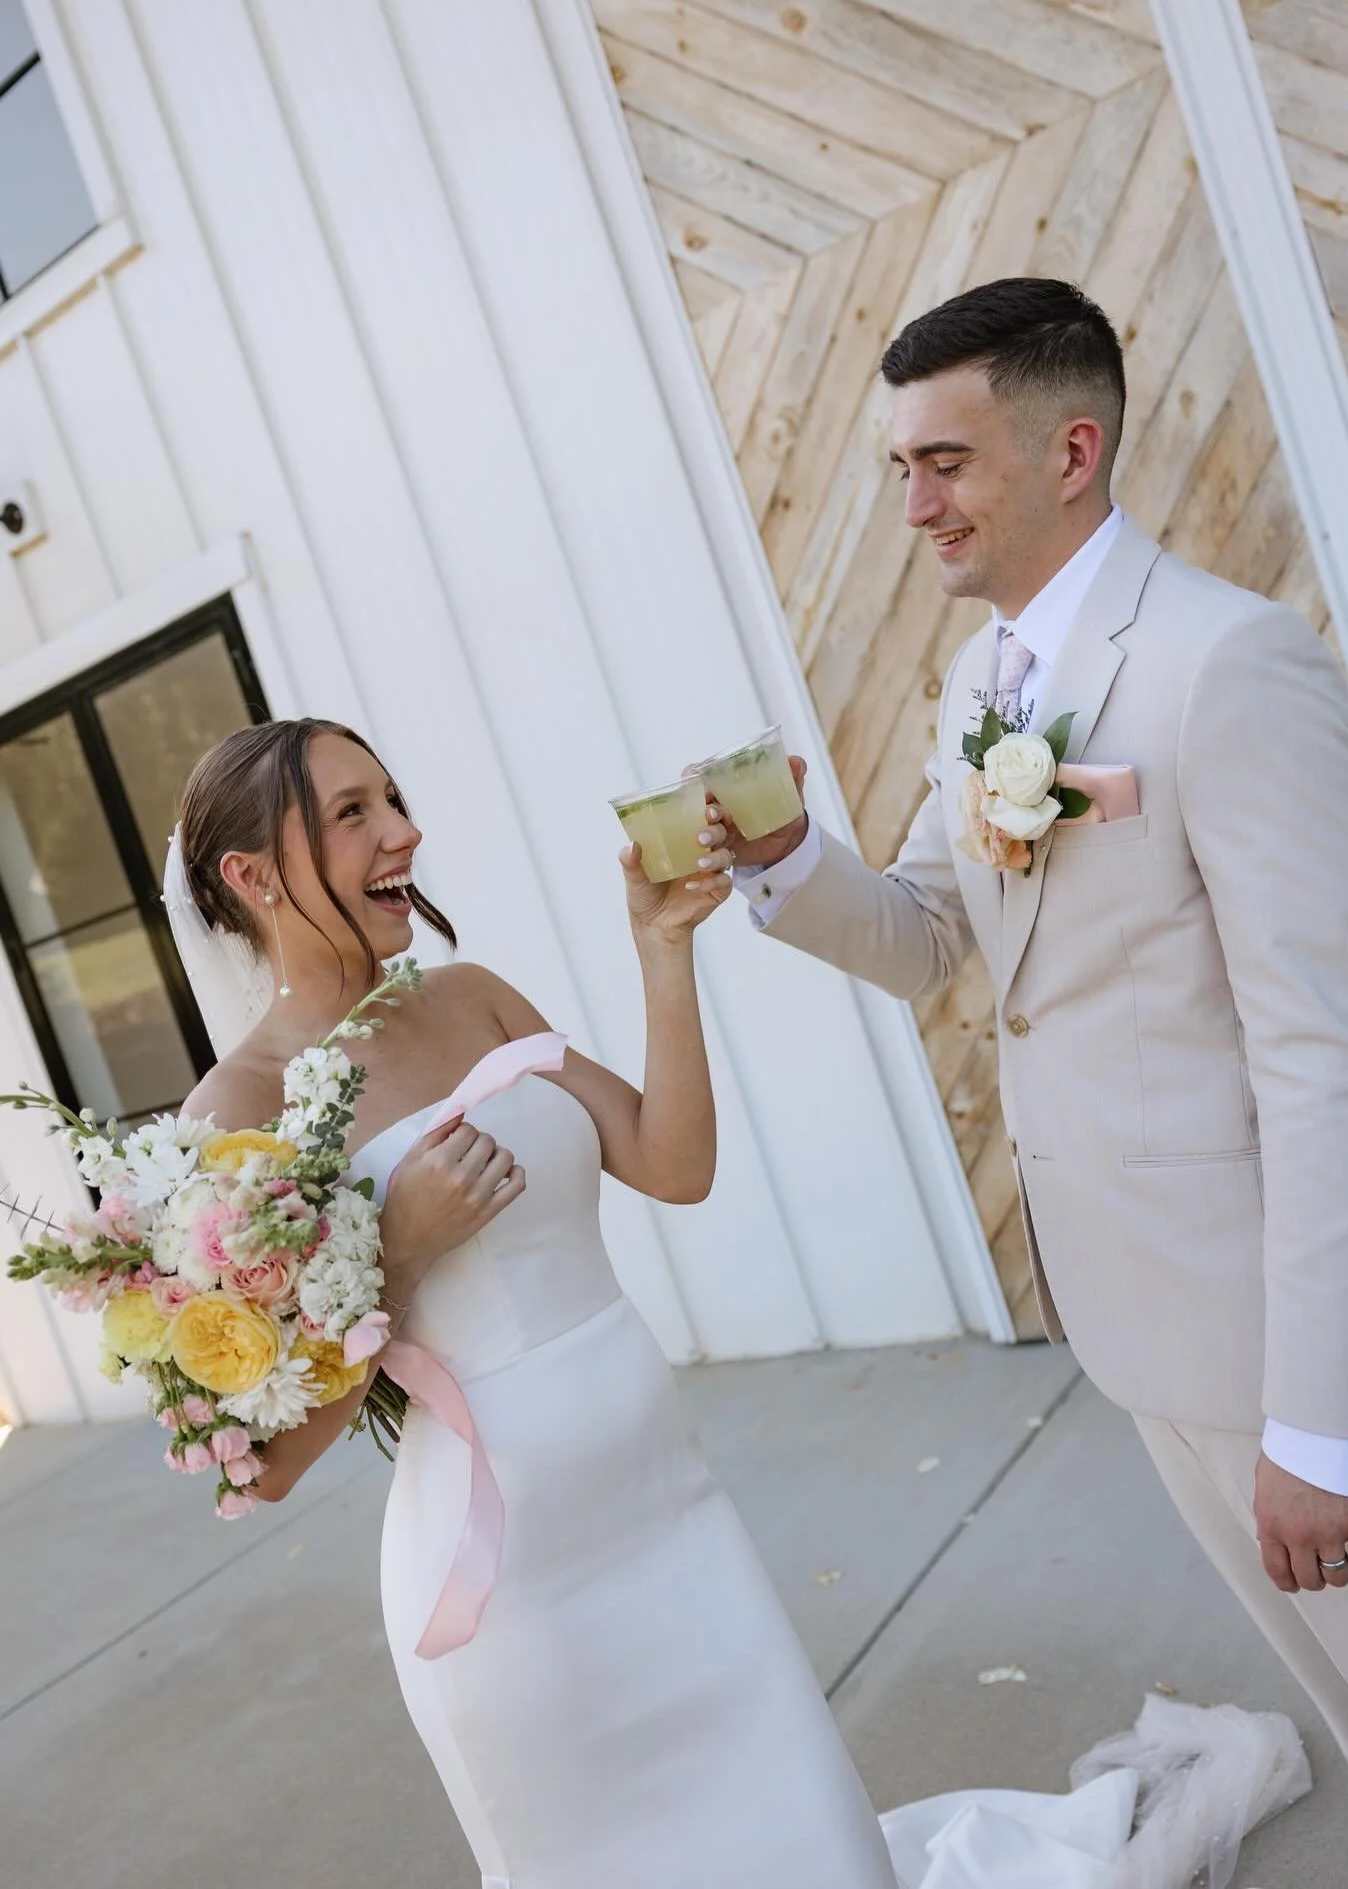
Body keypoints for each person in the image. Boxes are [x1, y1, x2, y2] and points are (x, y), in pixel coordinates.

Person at [718, 277, 1348, 1885]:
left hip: (1287, 1326)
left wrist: (1328, 1421)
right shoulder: (987, 691)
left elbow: (1331, 1056)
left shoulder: (1223, 663)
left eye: (944, 462)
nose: (913, 505)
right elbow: (924, 936)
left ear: (1071, 448)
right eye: (900, 468)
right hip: (1142, 1322)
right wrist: (786, 864)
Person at [167, 716, 899, 1889]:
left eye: (391, 798)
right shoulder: (238, 1112)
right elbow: (259, 1464)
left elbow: (674, 1162)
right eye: (352, 813)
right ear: (249, 877)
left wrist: (662, 949)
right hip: (513, 1590)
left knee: (810, 1837)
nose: (404, 831)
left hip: (672, 1514)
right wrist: (396, 1256)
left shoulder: (471, 996)